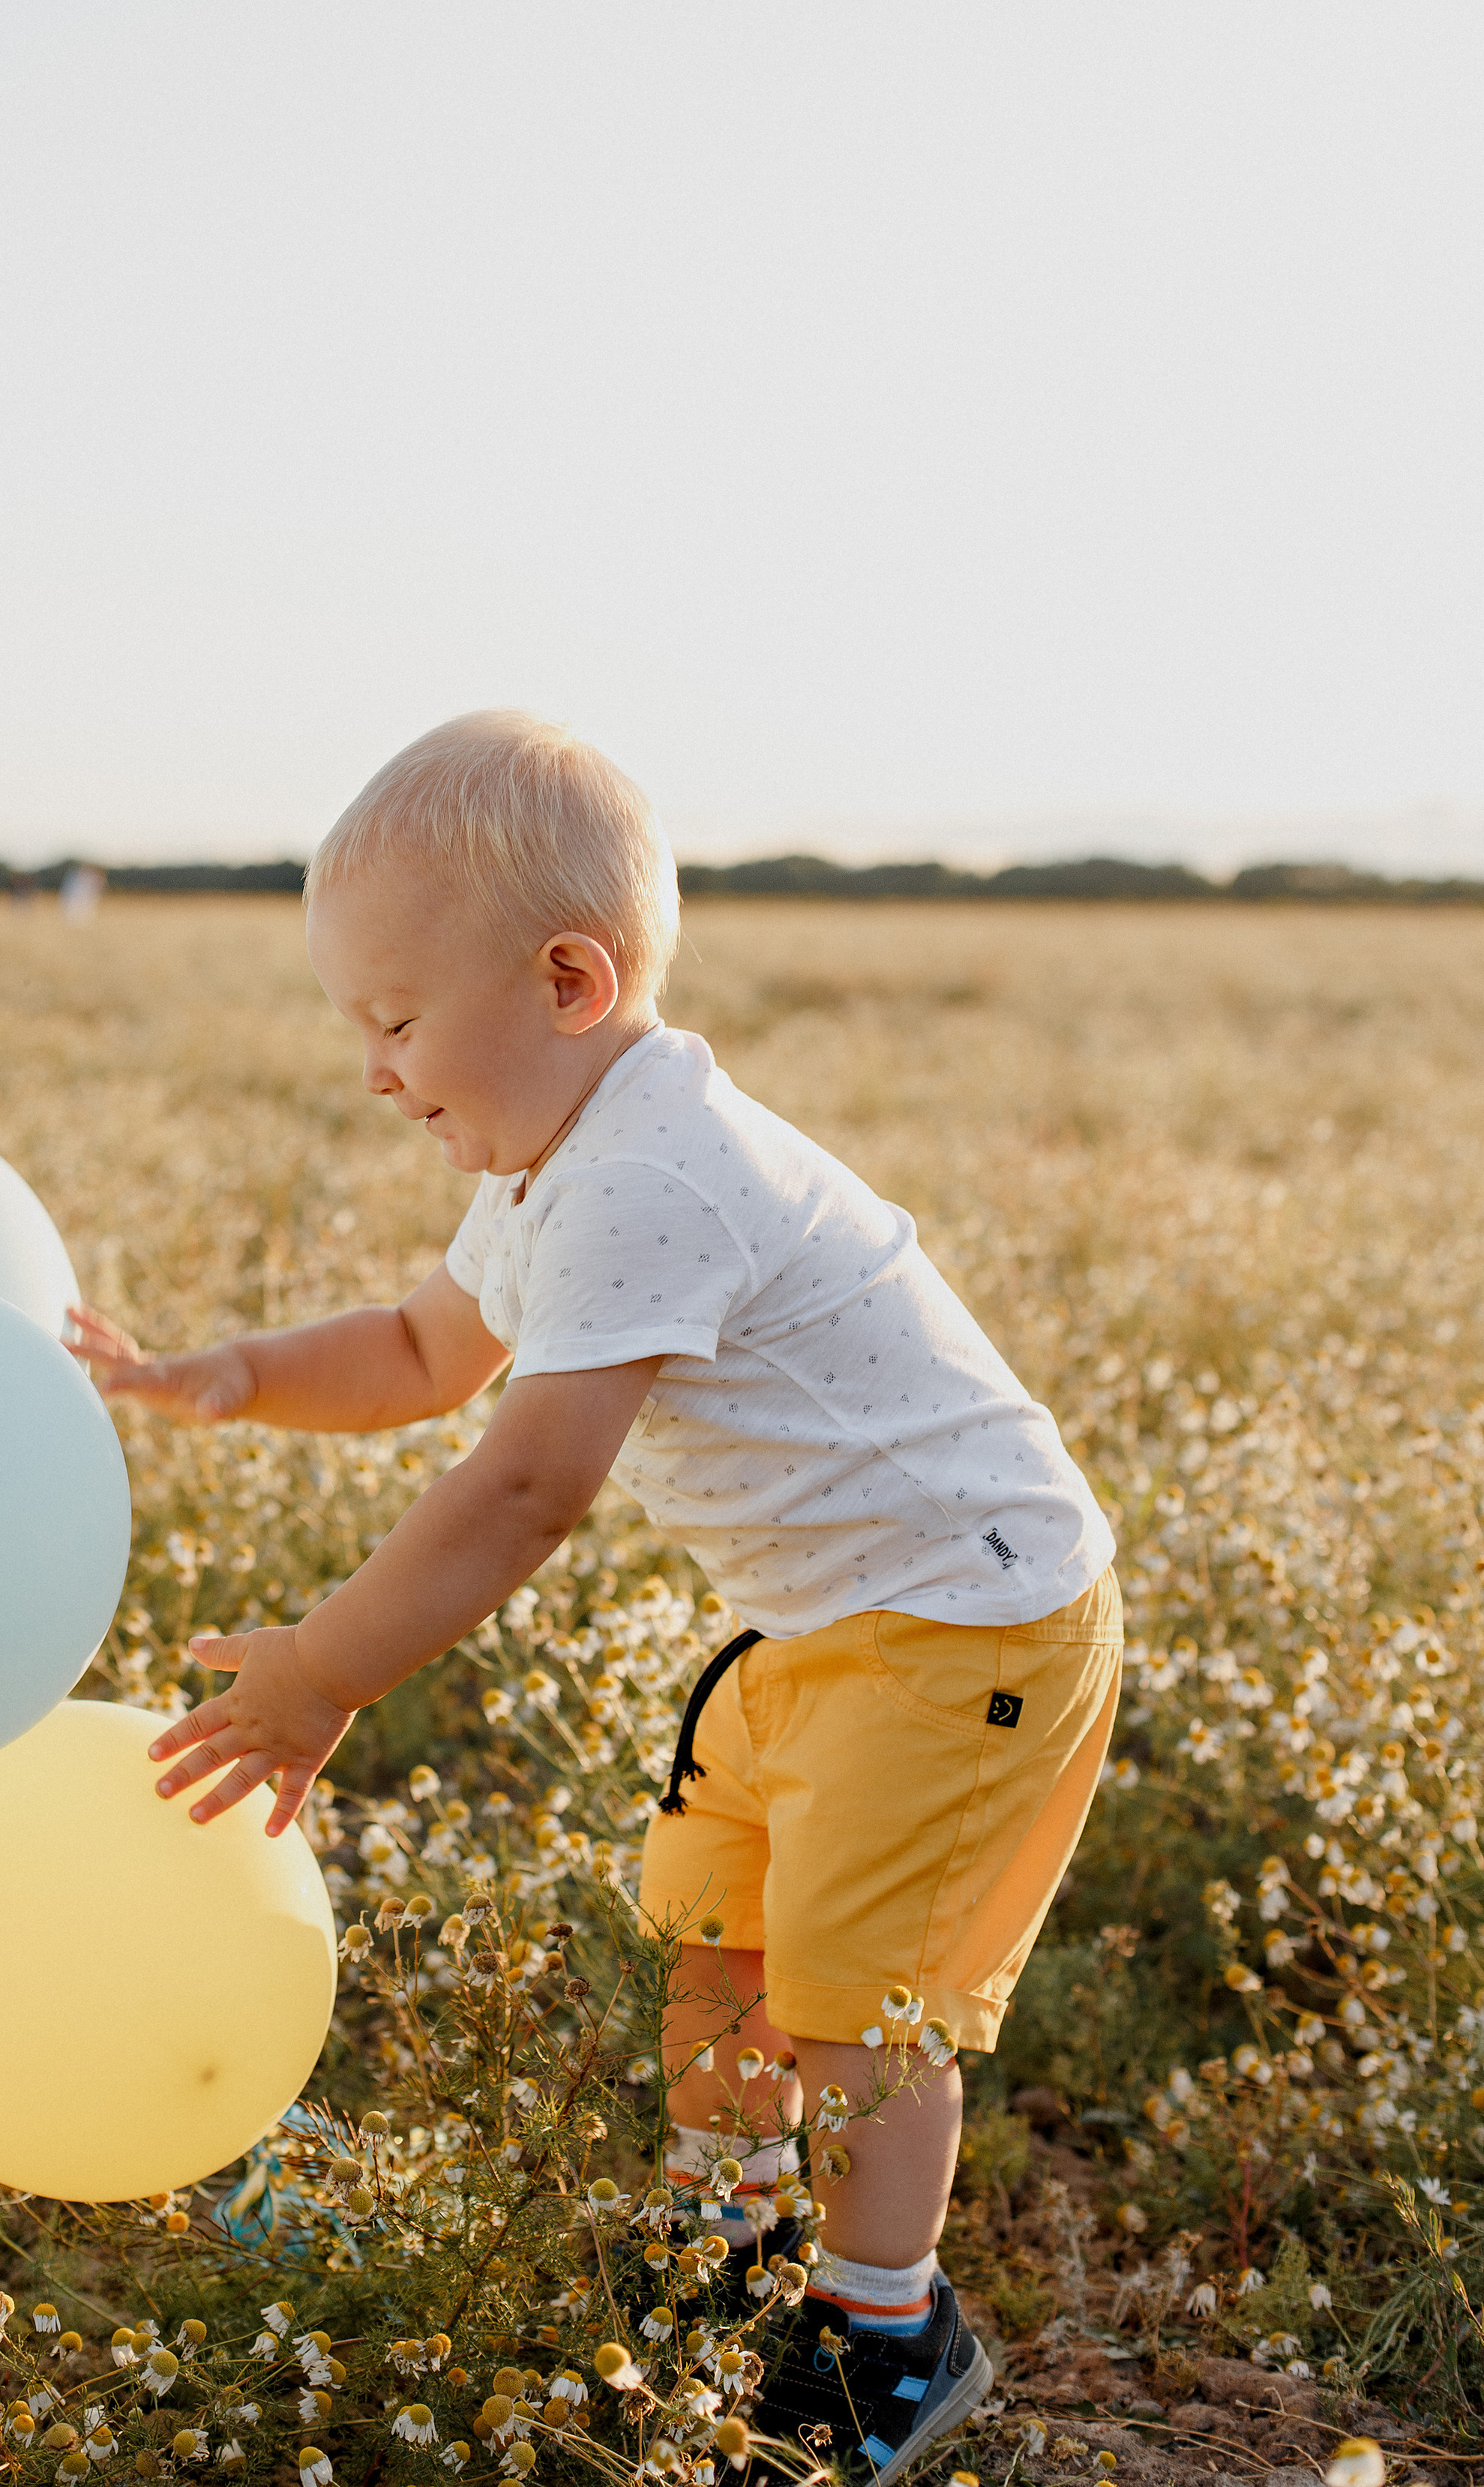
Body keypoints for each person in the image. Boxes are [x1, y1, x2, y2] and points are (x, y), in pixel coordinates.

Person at [65, 710, 1121, 2477]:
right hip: (823, 1627)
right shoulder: (557, 1160)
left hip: (963, 1626)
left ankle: (887, 2338)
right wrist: (227, 1373)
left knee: (861, 2010)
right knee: (719, 1952)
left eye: (395, 1022)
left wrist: (319, 1674)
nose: (379, 1075)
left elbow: (527, 1486)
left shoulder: (644, 1171)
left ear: (567, 981)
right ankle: (726, 2248)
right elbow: (419, 1353)